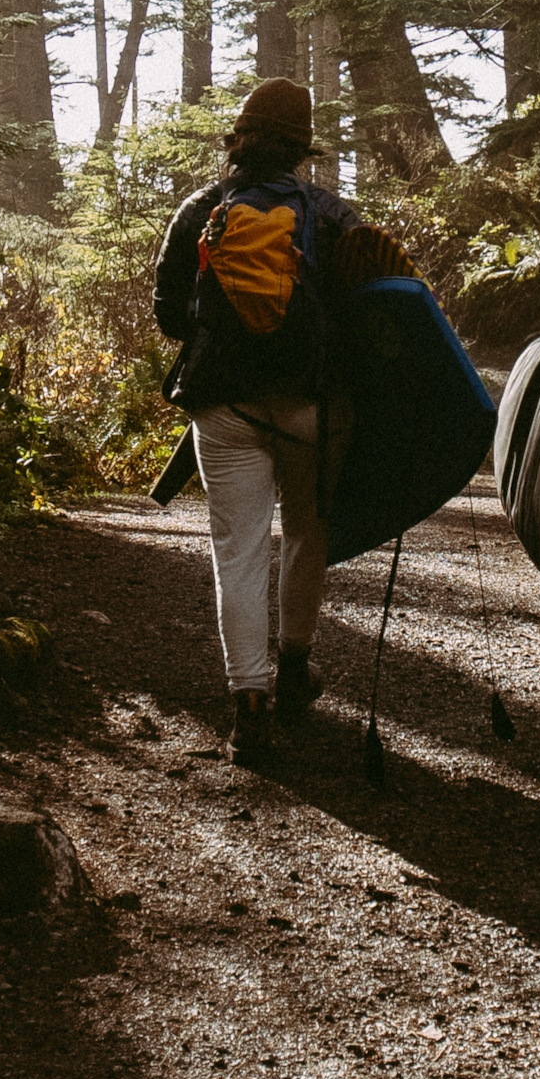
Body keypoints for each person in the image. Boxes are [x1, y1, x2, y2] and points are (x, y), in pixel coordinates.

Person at [152, 77, 378, 762]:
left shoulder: (201, 209)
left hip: (221, 405)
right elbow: (378, 310)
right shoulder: (333, 213)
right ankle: (296, 668)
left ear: (240, 140)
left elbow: (168, 315)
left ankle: (248, 703)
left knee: (238, 552)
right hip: (312, 405)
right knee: (309, 534)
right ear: (299, 151)